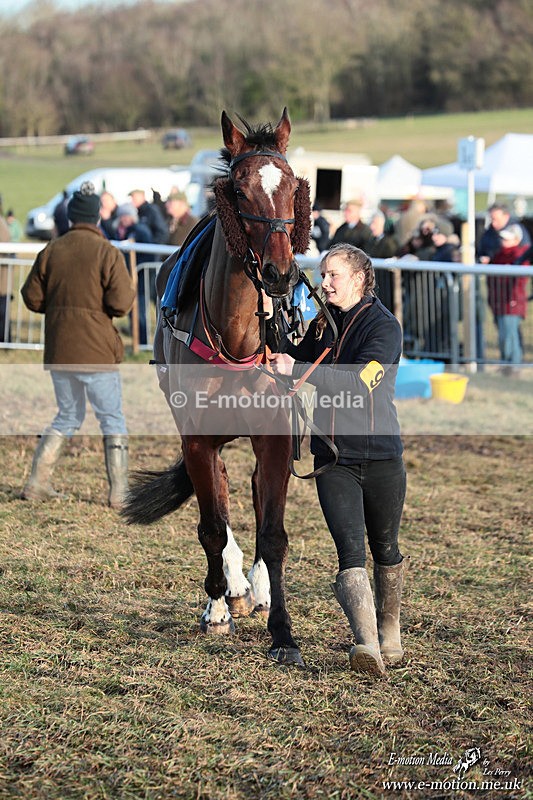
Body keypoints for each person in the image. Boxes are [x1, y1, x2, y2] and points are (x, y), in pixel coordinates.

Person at [269, 243, 407, 677]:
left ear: (360, 279)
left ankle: (389, 628)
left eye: (333, 276)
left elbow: (364, 379)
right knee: (350, 554)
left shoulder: (385, 328)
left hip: (383, 457)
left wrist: (299, 369)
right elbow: (293, 354)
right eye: (322, 275)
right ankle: (366, 643)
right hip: (333, 459)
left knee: (385, 549)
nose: (324, 283)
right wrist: (272, 316)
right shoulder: (323, 325)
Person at [20, 181, 135, 508]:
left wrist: (58, 309)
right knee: (112, 419)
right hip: (97, 352)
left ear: (71, 216)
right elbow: (121, 303)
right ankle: (119, 493)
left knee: (67, 416)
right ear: (97, 216)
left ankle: (37, 482)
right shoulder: (107, 252)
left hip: (59, 351)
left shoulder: (51, 250)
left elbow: (31, 297)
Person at [487, 224, 530, 375]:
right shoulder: (499, 255)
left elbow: (520, 277)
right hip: (499, 301)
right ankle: (506, 365)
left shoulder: (519, 255)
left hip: (512, 301)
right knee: (503, 336)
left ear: (517, 240)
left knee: (510, 336)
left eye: (507, 239)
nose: (503, 242)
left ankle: (514, 367)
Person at [115, 202, 154, 346]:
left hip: (141, 277)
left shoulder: (140, 231)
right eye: (122, 216)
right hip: (129, 276)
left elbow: (148, 254)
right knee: (132, 308)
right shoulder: (120, 231)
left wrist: (136, 267)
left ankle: (143, 341)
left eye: (126, 215)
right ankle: (136, 338)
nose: (124, 218)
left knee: (140, 309)